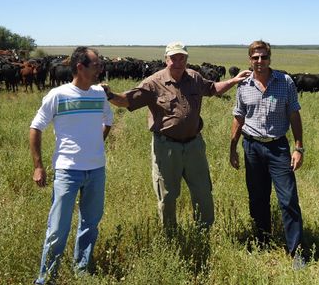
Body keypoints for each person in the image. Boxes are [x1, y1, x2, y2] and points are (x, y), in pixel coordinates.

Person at [104, 41, 250, 231]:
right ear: (166, 59)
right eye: (174, 58)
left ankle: (203, 231)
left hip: (194, 146)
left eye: (182, 57)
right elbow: (126, 100)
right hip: (167, 147)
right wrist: (109, 94)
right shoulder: (153, 82)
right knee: (167, 194)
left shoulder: (195, 78)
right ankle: (170, 234)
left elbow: (213, 89)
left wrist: (233, 81)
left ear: (187, 59)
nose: (178, 62)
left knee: (203, 191)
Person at [30, 46, 113, 284]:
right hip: (67, 171)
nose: (100, 69)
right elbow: (36, 127)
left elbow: (109, 120)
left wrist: (98, 142)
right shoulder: (58, 95)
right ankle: (46, 278)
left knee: (90, 224)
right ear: (80, 67)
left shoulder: (99, 94)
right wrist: (38, 166)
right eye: (96, 65)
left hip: (96, 170)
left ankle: (82, 271)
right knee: (57, 229)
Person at [229, 40, 306, 270]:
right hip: (252, 147)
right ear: (249, 59)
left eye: (263, 57)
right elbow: (238, 117)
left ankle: (297, 252)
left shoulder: (285, 82)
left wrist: (298, 147)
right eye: (255, 57)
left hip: (278, 148)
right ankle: (262, 240)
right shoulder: (244, 85)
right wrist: (232, 148)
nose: (259, 61)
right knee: (257, 197)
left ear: (270, 58)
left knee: (288, 199)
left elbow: (294, 115)